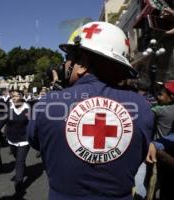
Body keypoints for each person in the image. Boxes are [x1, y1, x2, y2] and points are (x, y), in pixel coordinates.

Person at [27, 21, 154, 200]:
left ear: (82, 64)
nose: (64, 66)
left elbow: (36, 142)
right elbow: (139, 153)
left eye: (68, 59)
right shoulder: (142, 107)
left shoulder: (48, 104)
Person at [0, 90, 30, 194]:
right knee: (17, 158)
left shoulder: (28, 109)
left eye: (16, 96)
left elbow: (33, 125)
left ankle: (19, 186)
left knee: (19, 161)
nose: (14, 98)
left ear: (22, 97)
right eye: (13, 97)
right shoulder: (9, 110)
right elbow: (0, 124)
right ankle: (23, 169)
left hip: (24, 140)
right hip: (11, 140)